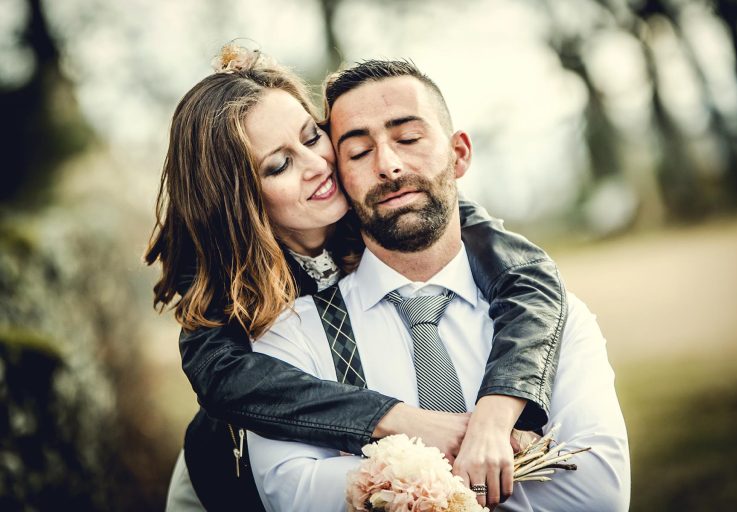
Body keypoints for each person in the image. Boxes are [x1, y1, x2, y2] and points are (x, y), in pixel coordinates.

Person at [145, 45, 567, 510]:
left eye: (312, 137)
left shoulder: (385, 202)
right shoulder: (219, 272)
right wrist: (399, 420)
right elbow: (225, 376)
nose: (317, 165)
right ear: (239, 199)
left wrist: (497, 407)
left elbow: (529, 277)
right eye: (279, 165)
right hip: (228, 487)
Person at [245, 59, 631, 511]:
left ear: (460, 153)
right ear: (339, 180)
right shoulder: (292, 336)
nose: (388, 164)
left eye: (408, 138)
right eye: (358, 152)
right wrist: (483, 455)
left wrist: (379, 482)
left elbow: (599, 492)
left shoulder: (552, 316)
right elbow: (293, 497)